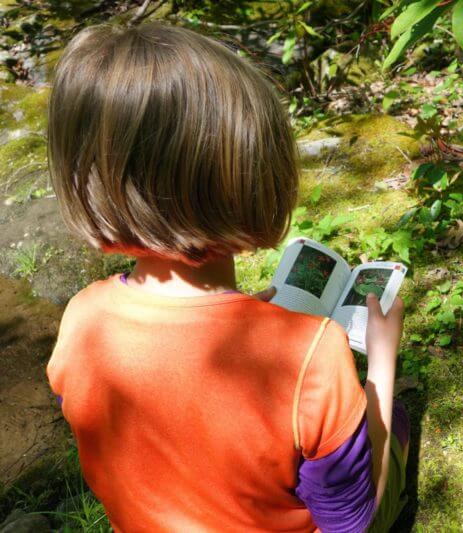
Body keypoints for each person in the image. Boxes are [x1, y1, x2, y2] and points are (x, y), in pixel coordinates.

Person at [45, 22, 408, 533]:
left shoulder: (82, 318)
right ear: (258, 180)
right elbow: (351, 523)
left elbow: (107, 423)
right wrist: (382, 368)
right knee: (398, 422)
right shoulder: (312, 357)